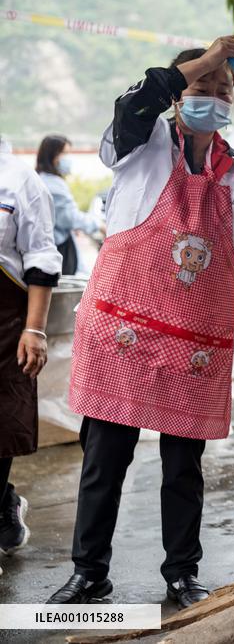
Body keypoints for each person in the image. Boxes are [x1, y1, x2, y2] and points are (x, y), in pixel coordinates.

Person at [47, 36, 234, 607]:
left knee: (183, 466)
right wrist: (203, 60)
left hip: (193, 340)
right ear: (179, 93)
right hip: (124, 328)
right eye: (203, 86)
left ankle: (181, 573)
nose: (215, 96)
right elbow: (136, 103)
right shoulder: (142, 143)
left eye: (225, 89)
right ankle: (89, 570)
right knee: (106, 459)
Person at [0, 131, 61, 562]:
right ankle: (5, 504)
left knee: (1, 427)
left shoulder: (20, 180)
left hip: (5, 325)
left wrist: (34, 330)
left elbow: (41, 257)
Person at [35, 135, 103, 275]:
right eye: (65, 153)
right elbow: (70, 217)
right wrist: (99, 225)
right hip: (57, 249)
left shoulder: (40, 179)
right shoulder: (53, 184)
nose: (68, 158)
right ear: (52, 156)